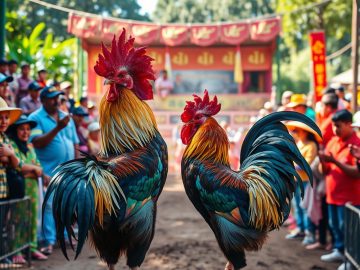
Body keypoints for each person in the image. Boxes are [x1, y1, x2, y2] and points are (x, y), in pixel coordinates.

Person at [29, 85, 79, 255]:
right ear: (42, 100)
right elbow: (37, 142)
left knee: (66, 204)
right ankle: (48, 240)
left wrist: (79, 167)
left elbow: (75, 143)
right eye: (51, 98)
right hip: (47, 171)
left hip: (68, 171)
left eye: (57, 97)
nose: (56, 101)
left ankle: (65, 236)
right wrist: (58, 127)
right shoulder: (35, 117)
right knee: (49, 206)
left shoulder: (66, 116)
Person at [319, 110, 360, 264]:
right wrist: (323, 161)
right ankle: (339, 251)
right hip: (333, 195)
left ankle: (350, 260)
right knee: (334, 226)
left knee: (349, 231)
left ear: (350, 124)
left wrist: (334, 161)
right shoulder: (333, 142)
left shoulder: (357, 143)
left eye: (339, 126)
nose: (336, 130)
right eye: (334, 126)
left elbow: (356, 173)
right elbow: (325, 171)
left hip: (350, 198)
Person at [7, 115, 48, 263]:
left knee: (32, 217)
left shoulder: (29, 147)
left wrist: (31, 170)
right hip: (19, 188)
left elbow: (38, 168)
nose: (25, 132)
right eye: (21, 129)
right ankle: (17, 250)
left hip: (33, 189)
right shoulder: (11, 145)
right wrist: (32, 170)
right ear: (15, 131)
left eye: (28, 129)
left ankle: (31, 247)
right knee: (17, 218)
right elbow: (17, 167)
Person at [285, 121, 321, 243]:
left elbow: (306, 165)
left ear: (305, 132)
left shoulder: (311, 145)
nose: (295, 132)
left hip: (305, 181)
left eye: (297, 130)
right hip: (296, 180)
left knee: (305, 207)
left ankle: (309, 233)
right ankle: (300, 229)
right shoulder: (298, 144)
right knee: (297, 206)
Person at [0, 97, 21, 200]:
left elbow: (16, 164)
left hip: (3, 190)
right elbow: (3, 158)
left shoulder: (5, 137)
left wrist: (11, 154)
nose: (3, 121)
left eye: (6, 117)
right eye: (0, 117)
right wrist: (10, 155)